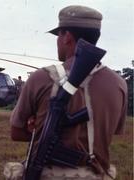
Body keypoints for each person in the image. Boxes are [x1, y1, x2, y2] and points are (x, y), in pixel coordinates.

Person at [9, 5, 127, 180]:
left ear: (67, 37)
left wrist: (36, 129)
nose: (57, 41)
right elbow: (108, 132)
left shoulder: (40, 78)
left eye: (58, 35)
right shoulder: (119, 84)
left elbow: (16, 133)